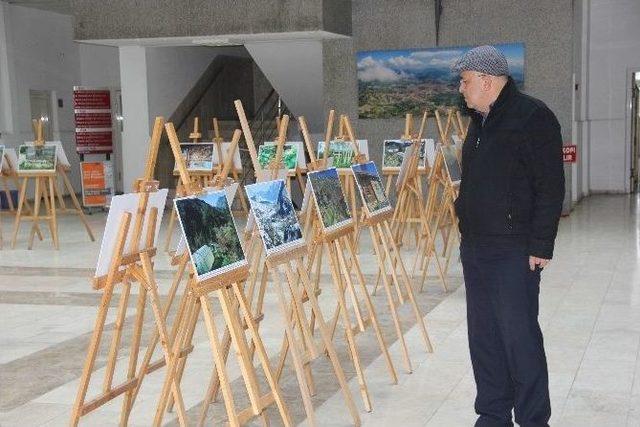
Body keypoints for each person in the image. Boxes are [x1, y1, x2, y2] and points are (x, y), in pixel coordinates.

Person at [452, 45, 565, 427]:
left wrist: (541, 244)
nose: (461, 89)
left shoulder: (533, 116)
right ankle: (493, 414)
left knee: (519, 339)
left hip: (514, 250)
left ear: (486, 80)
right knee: (484, 339)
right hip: (477, 248)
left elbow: (550, 186)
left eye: (465, 82)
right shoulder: (479, 122)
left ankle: (534, 419)